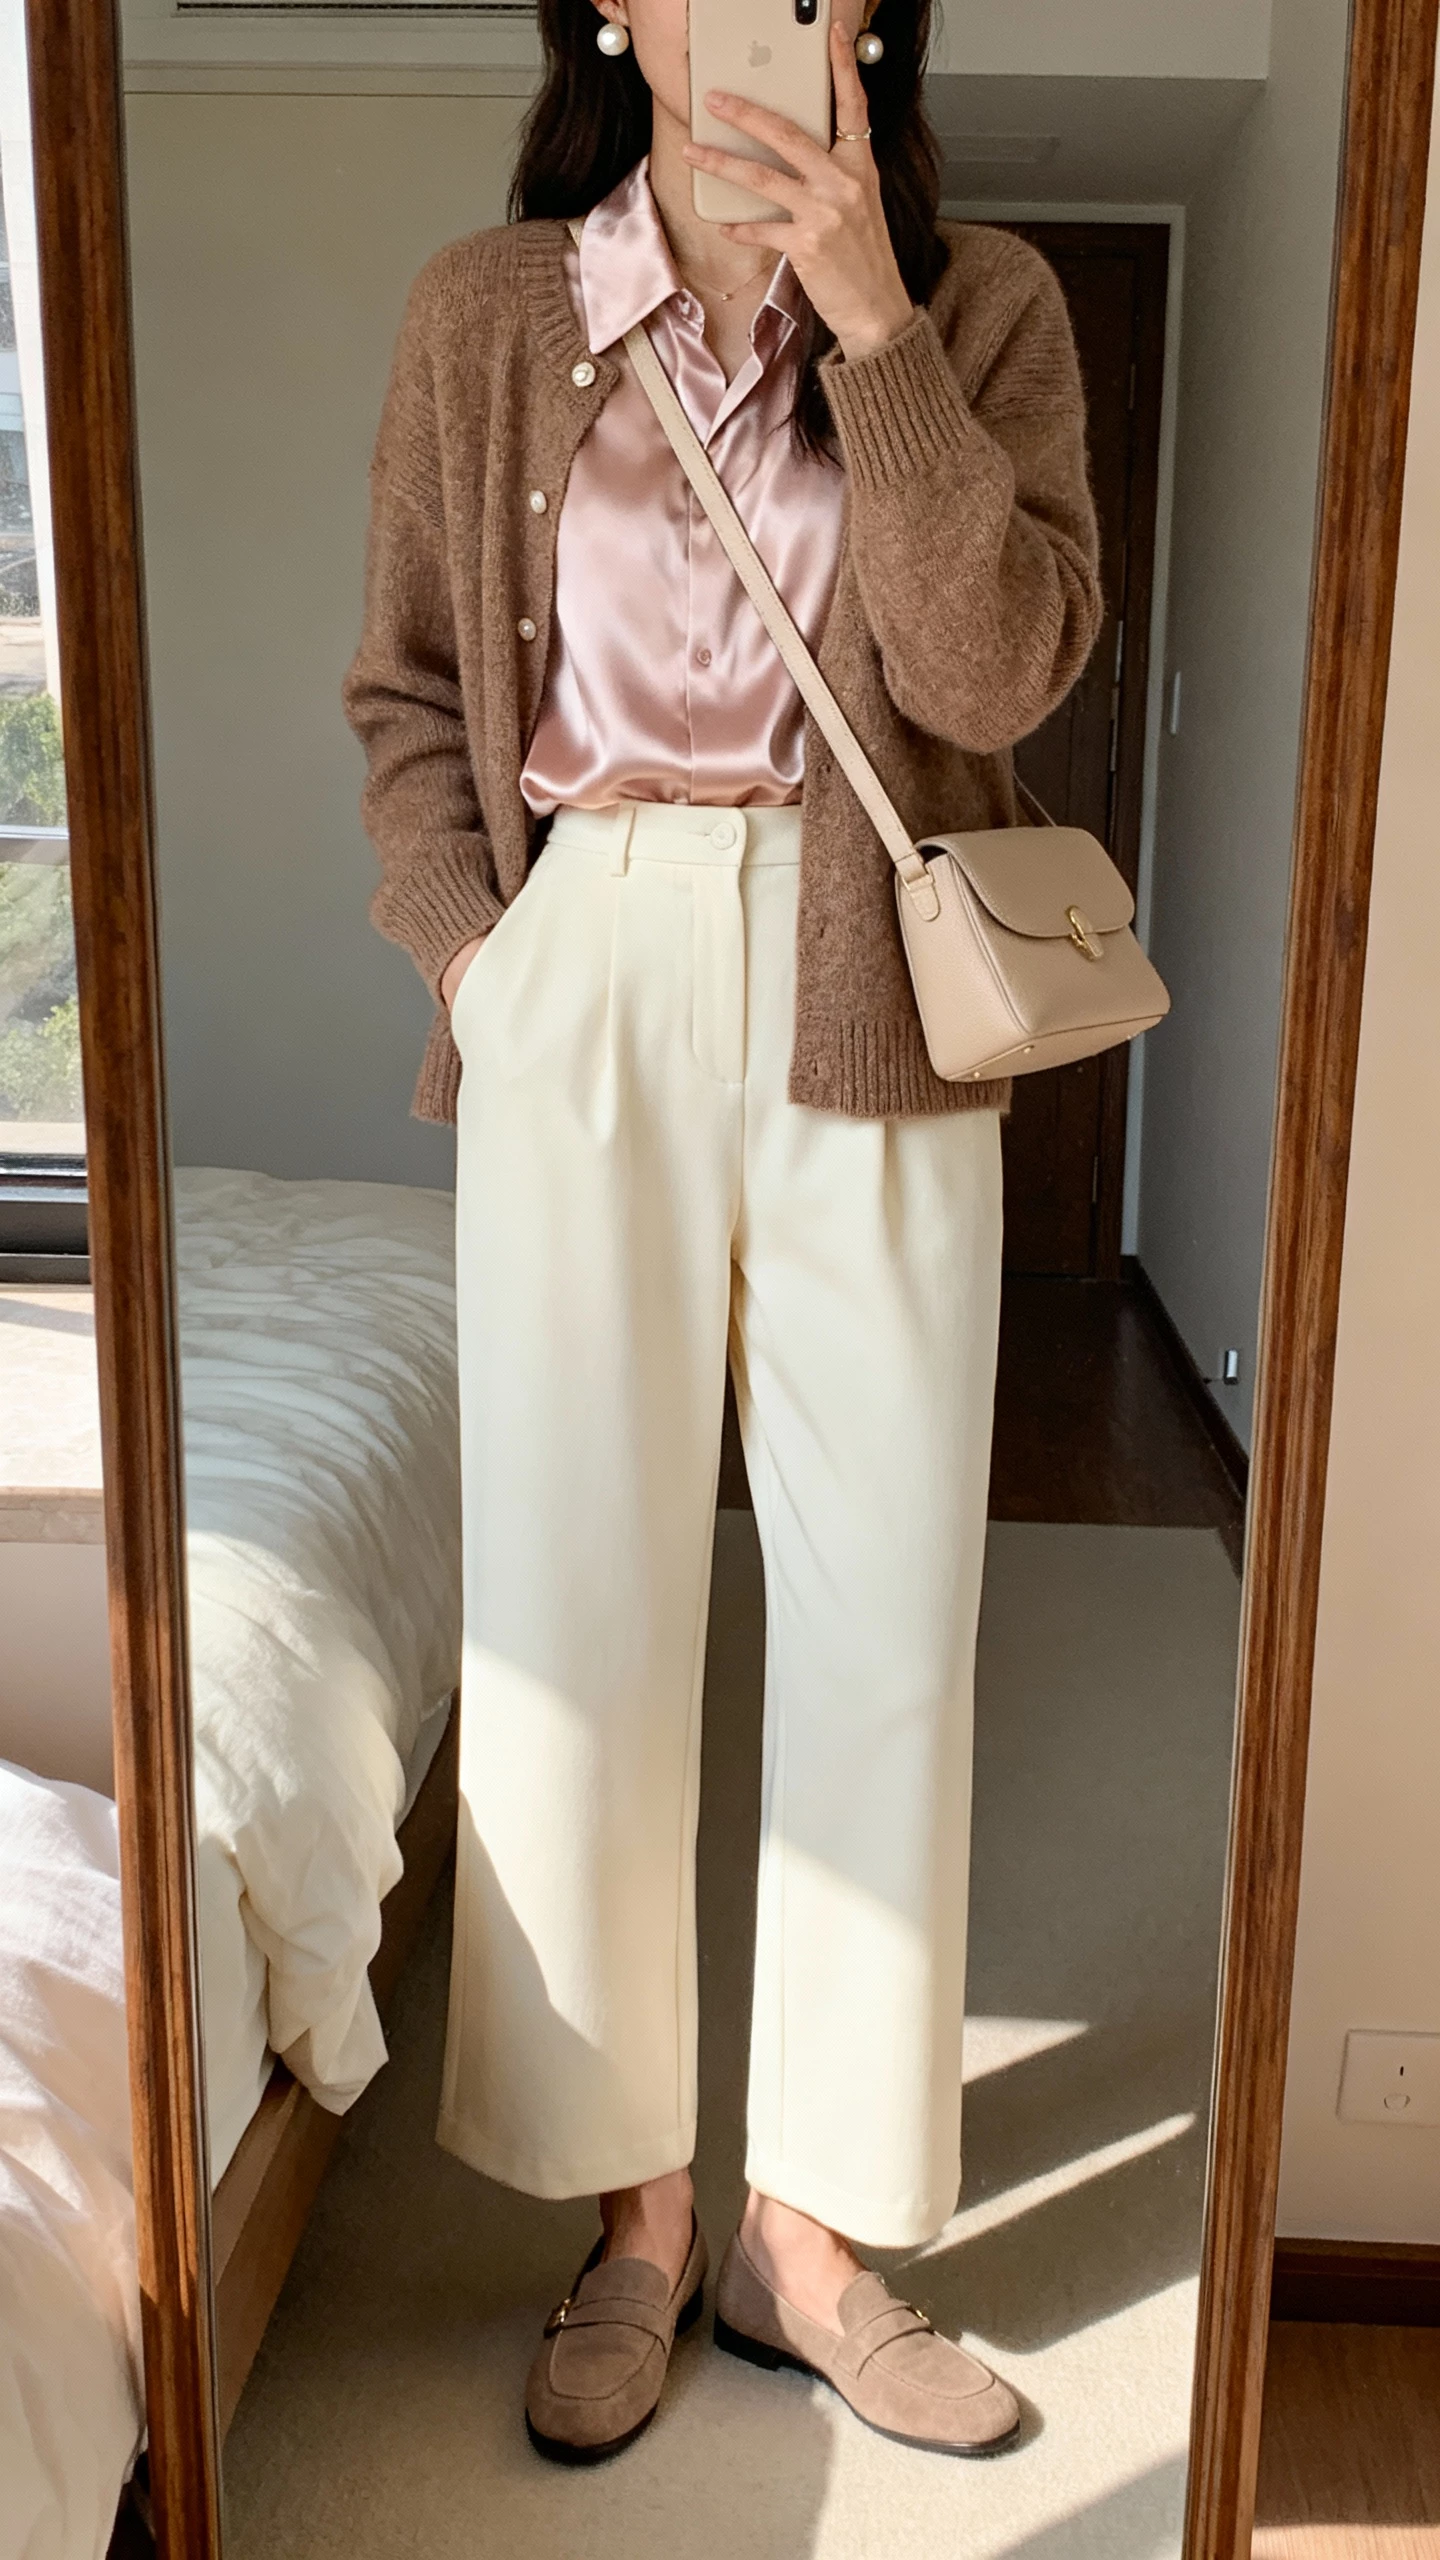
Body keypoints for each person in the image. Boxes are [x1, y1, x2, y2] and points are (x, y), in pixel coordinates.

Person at [343, 0, 1100, 2468]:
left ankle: (816, 2238)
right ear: (613, 13)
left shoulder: (981, 301)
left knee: (888, 1615)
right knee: (575, 1615)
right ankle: (638, 2214)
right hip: (591, 954)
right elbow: (410, 696)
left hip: (873, 977)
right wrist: (485, 963)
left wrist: (877, 328)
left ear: (859, 19)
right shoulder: (488, 307)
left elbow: (1003, 668)